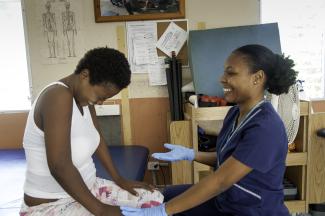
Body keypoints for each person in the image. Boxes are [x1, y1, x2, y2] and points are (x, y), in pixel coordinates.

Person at [121, 44, 298, 216]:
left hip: (251, 210)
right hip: (227, 200)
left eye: (231, 73)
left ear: (257, 78)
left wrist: (164, 211)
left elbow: (221, 180)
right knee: (163, 196)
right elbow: (230, 160)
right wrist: (191, 154)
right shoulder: (234, 113)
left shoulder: (265, 128)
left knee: (168, 207)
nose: (222, 78)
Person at [19, 47, 162, 216]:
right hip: (52, 204)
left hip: (90, 188)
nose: (100, 102)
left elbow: (98, 139)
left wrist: (119, 179)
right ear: (85, 75)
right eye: (100, 96)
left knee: (153, 200)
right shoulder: (57, 96)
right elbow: (59, 165)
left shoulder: (86, 101)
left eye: (105, 99)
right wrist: (100, 210)